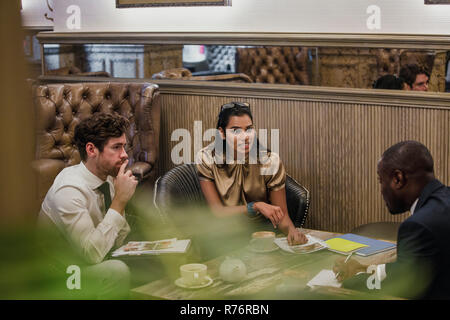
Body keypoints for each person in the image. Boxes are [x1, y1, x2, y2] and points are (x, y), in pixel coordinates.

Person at [38, 113, 138, 298]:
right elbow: (91, 255)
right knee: (116, 271)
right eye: (116, 147)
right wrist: (120, 201)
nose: (124, 155)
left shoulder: (107, 178)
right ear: (91, 149)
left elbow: (118, 238)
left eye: (124, 147)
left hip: (91, 258)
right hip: (62, 273)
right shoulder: (69, 190)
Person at [333, 141, 450, 299]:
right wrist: (363, 268)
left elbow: (399, 284)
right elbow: (406, 268)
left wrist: (350, 283)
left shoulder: (418, 226)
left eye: (381, 181)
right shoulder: (444, 199)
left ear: (397, 178)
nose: (381, 190)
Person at [196, 101, 307, 246]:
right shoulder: (206, 158)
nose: (245, 136)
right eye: (235, 130)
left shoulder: (269, 161)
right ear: (222, 133)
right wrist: (255, 206)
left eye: (248, 129)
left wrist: (292, 232)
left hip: (262, 235)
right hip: (223, 236)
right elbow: (217, 212)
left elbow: (282, 214)